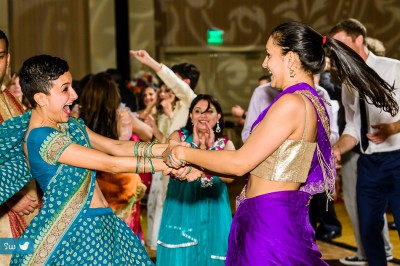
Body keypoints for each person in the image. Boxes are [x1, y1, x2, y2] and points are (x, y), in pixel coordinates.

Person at [163, 21, 398, 265]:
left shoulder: (293, 104)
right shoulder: (310, 101)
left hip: (267, 224)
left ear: (291, 59)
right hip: (274, 217)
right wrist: (202, 166)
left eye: (269, 55)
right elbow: (268, 164)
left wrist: (184, 152)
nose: (265, 64)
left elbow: (239, 163)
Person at [0, 54, 201, 265]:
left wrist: (168, 149)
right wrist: (171, 162)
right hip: (76, 233)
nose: (74, 95)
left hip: (105, 223)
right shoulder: (40, 138)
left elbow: (115, 146)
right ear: (41, 98)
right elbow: (109, 163)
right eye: (65, 89)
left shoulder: (71, 125)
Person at [330, 18, 399, 265]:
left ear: (359, 39)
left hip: (397, 159)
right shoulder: (349, 82)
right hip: (368, 163)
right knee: (367, 227)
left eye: (342, 43)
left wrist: (393, 127)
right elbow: (353, 127)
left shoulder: (394, 68)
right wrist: (336, 150)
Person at [130, 50, 199, 250]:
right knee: (156, 205)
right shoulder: (173, 109)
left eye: (173, 80)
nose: (168, 87)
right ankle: (157, 247)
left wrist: (150, 62)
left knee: (171, 207)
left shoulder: (189, 102)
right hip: (164, 164)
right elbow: (163, 141)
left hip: (181, 165)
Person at [157, 94, 234, 265]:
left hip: (214, 209)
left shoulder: (225, 144)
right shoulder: (178, 137)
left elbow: (229, 178)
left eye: (209, 111)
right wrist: (194, 148)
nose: (203, 116)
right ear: (191, 115)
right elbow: (168, 160)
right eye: (197, 111)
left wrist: (209, 149)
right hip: (181, 206)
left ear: (219, 116)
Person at [76, 71, 153, 241]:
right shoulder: (122, 114)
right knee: (122, 236)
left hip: (91, 180)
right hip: (119, 180)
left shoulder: (77, 116)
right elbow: (148, 133)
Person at [0, 30, 39, 265]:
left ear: (8, 59)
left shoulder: (11, 101)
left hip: (29, 210)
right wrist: (12, 199)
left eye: (0, 56)